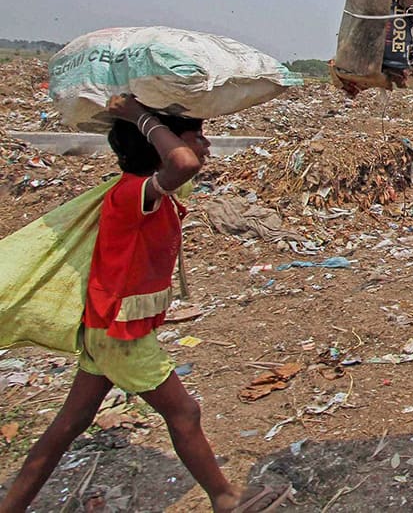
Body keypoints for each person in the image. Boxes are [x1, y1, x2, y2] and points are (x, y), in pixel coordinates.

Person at [0, 96, 287, 513]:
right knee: (185, 412)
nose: (205, 146)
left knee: (69, 424)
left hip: (106, 330)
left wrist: (156, 120)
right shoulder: (131, 195)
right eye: (198, 137)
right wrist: (138, 114)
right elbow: (184, 163)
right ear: (159, 148)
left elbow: (185, 164)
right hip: (121, 335)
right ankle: (225, 497)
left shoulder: (146, 190)